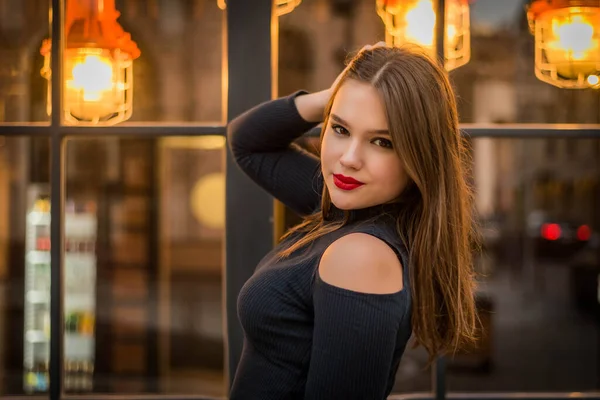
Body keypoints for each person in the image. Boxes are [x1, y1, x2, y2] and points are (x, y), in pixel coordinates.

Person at [227, 42, 479, 400]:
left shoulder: (361, 256)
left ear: (419, 157)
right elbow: (248, 142)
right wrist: (338, 93)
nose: (349, 159)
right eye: (341, 129)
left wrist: (344, 101)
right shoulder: (345, 206)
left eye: (382, 142)